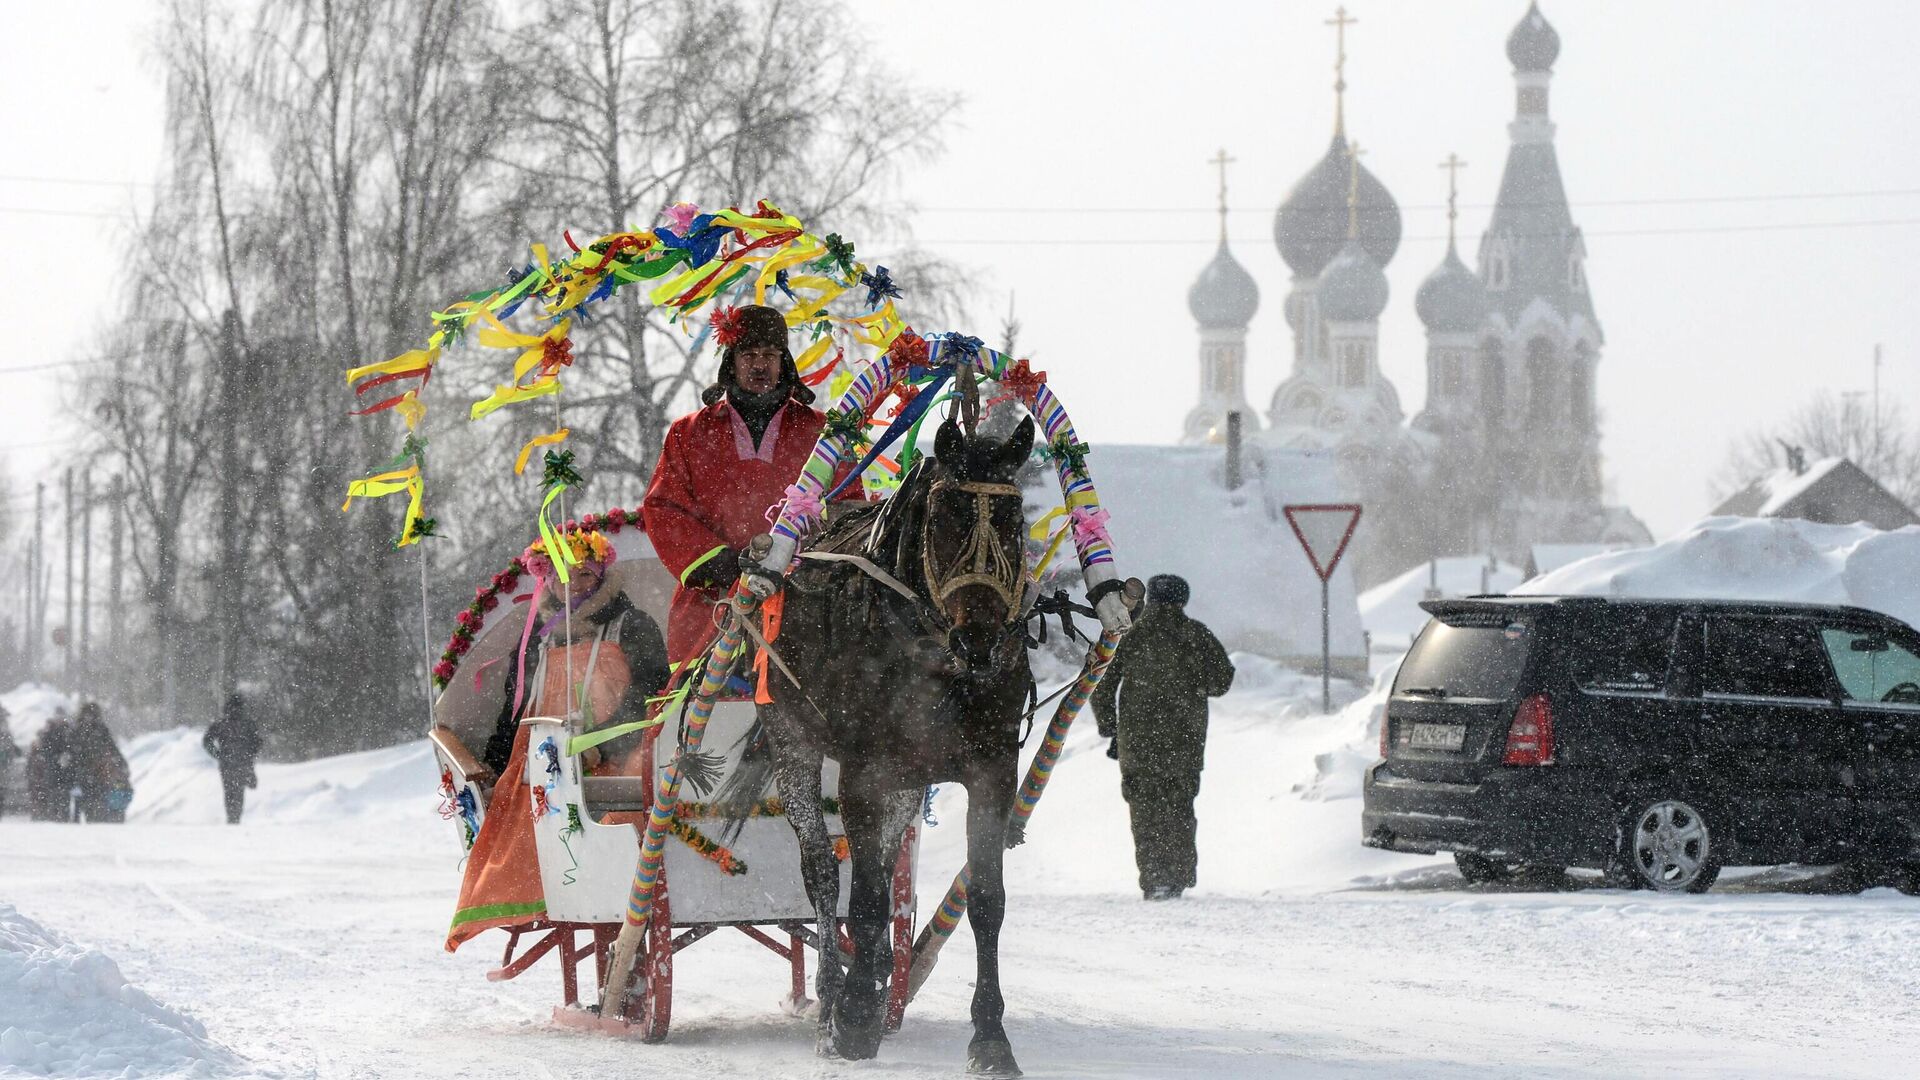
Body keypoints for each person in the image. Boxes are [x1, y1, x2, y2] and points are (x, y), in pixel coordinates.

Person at [449, 527, 671, 952]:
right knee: (528, 816)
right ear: (544, 578)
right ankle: (545, 896)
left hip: (619, 753)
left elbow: (651, 694)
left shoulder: (632, 624)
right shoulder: (536, 636)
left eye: (583, 574)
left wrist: (604, 745)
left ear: (601, 574)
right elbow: (512, 712)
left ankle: (619, 891)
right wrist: (495, 767)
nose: (572, 585)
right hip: (544, 762)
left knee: (623, 814)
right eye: (559, 575)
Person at [642, 303, 843, 665]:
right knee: (700, 716)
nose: (760, 365)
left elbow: (848, 505)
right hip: (712, 603)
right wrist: (720, 563)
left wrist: (808, 565)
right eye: (749, 354)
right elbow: (663, 508)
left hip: (804, 605)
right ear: (731, 362)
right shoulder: (688, 433)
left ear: (785, 362)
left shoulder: (821, 431)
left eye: (770, 354)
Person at [1091, 574, 1235, 900]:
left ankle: (1154, 877)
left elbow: (1100, 682)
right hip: (1185, 742)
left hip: (1137, 742)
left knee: (1144, 811)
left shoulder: (1129, 633)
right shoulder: (1197, 635)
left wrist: (1109, 728)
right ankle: (1179, 875)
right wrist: (1194, 682)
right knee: (1180, 808)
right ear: (1183, 599)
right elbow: (1222, 681)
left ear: (1150, 599)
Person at [204, 693, 262, 824]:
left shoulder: (221, 723)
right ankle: (235, 818)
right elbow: (257, 742)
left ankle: (232, 818)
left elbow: (207, 741)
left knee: (230, 791)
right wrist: (250, 753)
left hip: (227, 764)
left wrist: (218, 754)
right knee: (238, 792)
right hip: (242, 763)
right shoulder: (247, 724)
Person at [70, 702, 132, 823]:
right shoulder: (77, 730)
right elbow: (72, 749)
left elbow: (112, 747)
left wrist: (121, 762)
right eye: (87, 715)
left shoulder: (101, 729)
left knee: (99, 795)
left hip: (99, 769)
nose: (89, 718)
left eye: (92, 715)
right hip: (82, 769)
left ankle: (97, 817)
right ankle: (88, 816)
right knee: (85, 797)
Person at [25, 712, 77, 822]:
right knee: (55, 794)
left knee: (63, 794)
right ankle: (55, 816)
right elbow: (46, 750)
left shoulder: (69, 733)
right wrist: (58, 758)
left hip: (63, 770)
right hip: (55, 770)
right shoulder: (51, 733)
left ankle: (62, 816)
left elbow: (74, 749)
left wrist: (67, 756)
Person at [0, 704, 19, 818]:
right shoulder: (5, 729)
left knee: (2, 787)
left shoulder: (5, 729)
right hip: (4, 762)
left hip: (4, 762)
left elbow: (8, 744)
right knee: (2, 787)